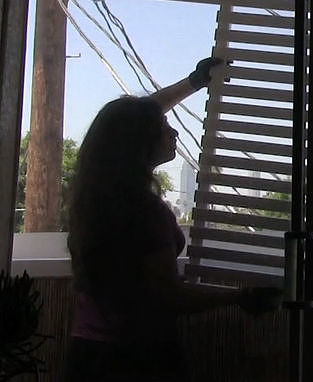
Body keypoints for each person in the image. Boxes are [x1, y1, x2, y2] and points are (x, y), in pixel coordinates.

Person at [65, 57, 281, 382]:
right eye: (164, 128)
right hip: (140, 360)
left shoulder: (95, 202)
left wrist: (193, 82)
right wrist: (238, 297)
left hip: (86, 355)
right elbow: (167, 296)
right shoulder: (144, 214)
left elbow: (125, 124)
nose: (174, 130)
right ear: (140, 145)